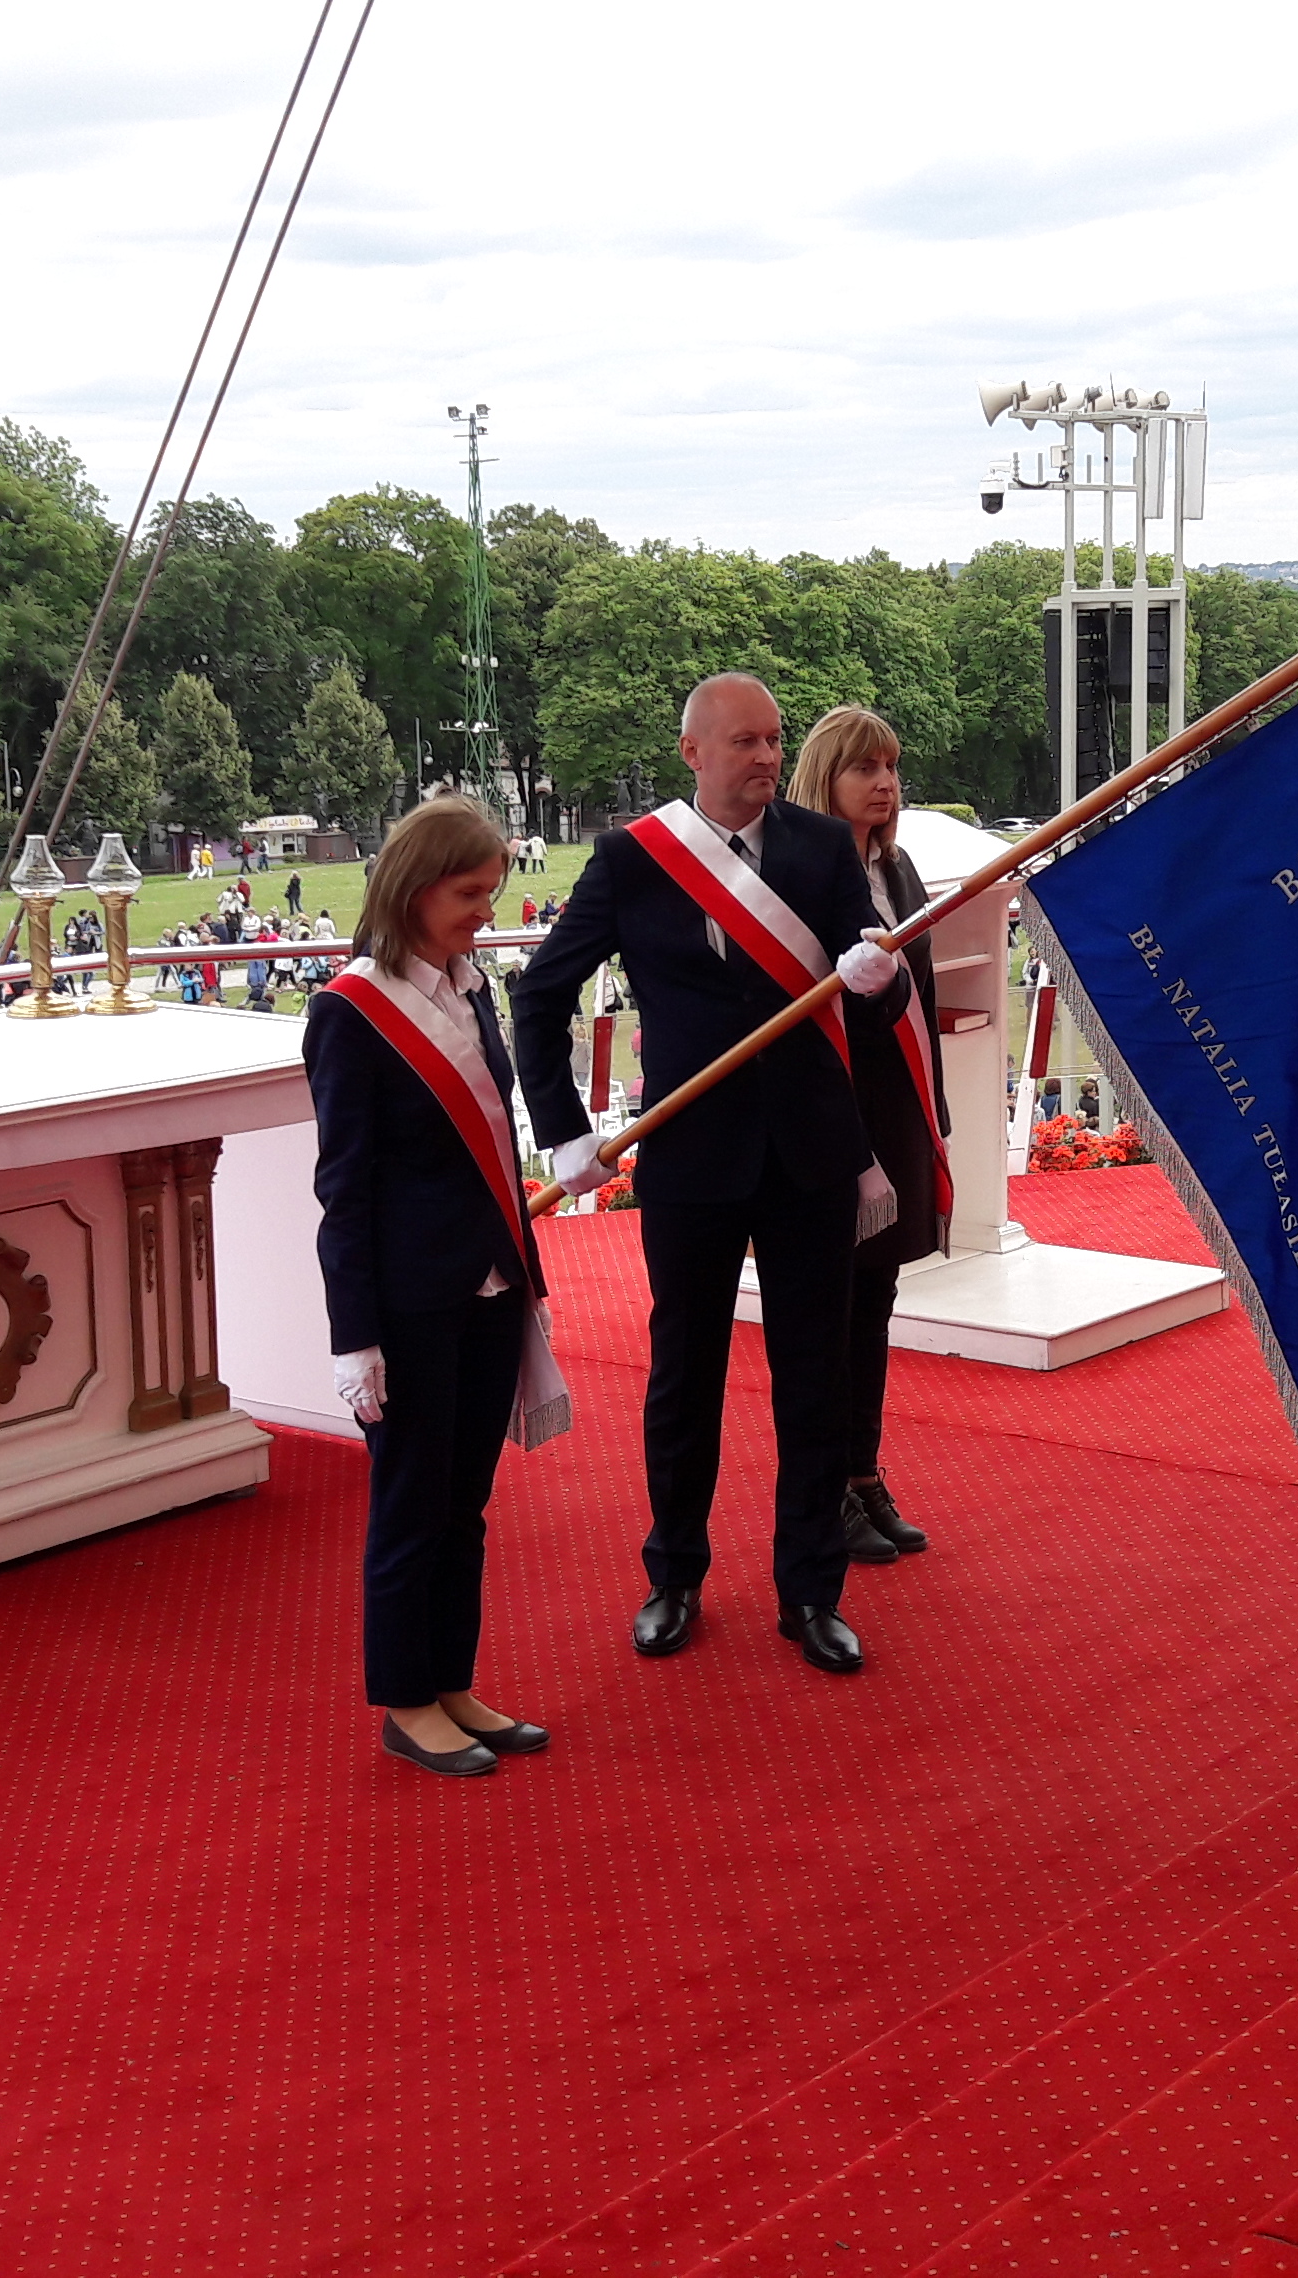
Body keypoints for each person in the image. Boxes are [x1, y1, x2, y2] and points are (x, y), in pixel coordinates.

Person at [511, 672, 903, 1676]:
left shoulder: (822, 847)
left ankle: (811, 1591)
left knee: (813, 1378)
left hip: (812, 1154)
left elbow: (874, 998)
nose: (767, 757)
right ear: (692, 752)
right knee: (686, 1376)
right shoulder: (632, 859)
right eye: (745, 742)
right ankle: (675, 1575)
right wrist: (564, 1132)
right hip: (692, 1158)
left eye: (775, 740)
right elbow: (540, 996)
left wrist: (881, 979)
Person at [307, 795, 564, 1778]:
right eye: (469, 893)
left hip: (490, 1286)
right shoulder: (351, 1012)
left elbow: (492, 1142)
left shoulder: (472, 990)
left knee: (466, 1504)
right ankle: (407, 1702)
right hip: (410, 1303)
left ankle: (452, 1681)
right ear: (414, 891)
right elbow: (344, 1190)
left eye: (491, 890)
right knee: (412, 1506)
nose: (487, 911)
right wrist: (354, 1335)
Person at [787, 706, 945, 1567]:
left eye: (891, 767)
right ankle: (824, 1493)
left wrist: (932, 1113)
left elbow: (918, 991)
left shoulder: (899, 866)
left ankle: (862, 1472)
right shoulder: (797, 871)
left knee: (874, 1303)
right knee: (830, 1313)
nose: (885, 783)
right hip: (829, 1116)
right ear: (826, 776)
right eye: (865, 768)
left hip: (896, 1107)